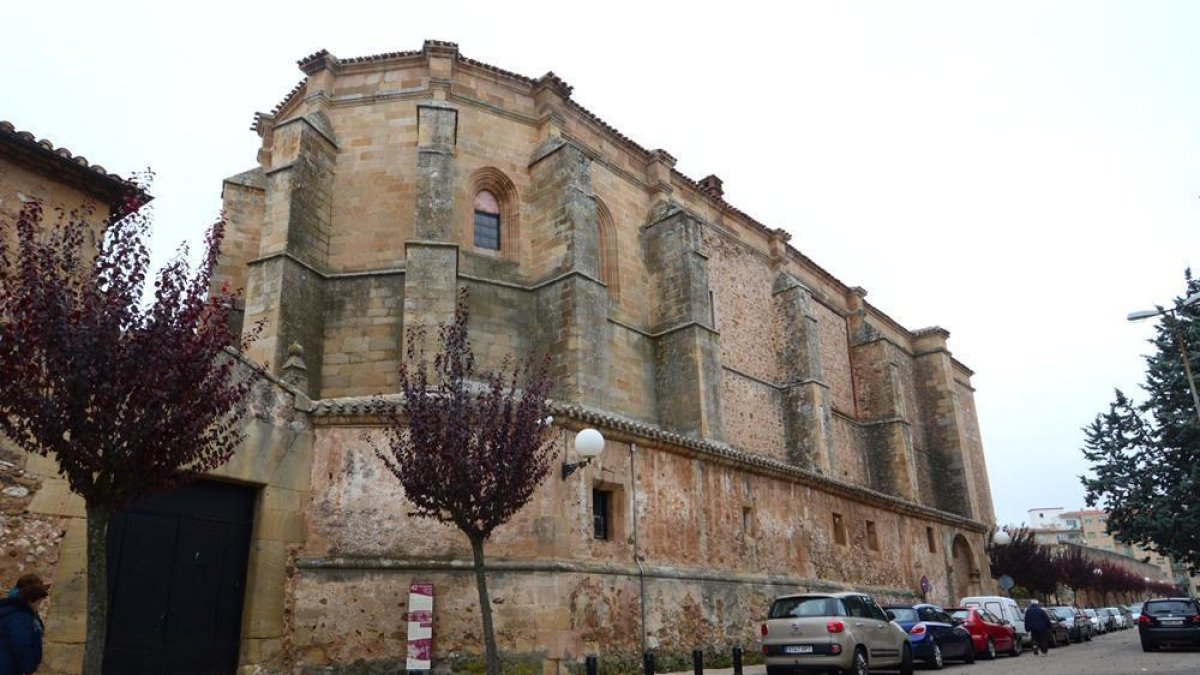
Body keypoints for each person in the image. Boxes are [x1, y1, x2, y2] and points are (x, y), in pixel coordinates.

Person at [0, 579, 48, 675]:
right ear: (31, 601)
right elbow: (21, 644)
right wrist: (29, 666)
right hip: (9, 667)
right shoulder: (21, 618)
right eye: (39, 603)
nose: (39, 607)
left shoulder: (16, 613)